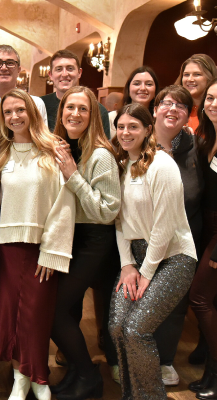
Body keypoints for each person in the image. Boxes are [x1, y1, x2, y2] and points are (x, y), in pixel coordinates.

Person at [0, 89, 76, 400]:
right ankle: (20, 378)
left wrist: (52, 251)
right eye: (8, 112)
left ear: (33, 113)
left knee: (36, 316)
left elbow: (65, 203)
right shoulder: (1, 153)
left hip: (42, 248)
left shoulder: (53, 151)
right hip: (9, 248)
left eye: (20, 110)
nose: (14, 117)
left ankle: (39, 376)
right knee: (12, 315)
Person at [109, 103, 197, 400]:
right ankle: (131, 395)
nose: (125, 132)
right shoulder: (121, 168)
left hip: (173, 257)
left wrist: (146, 272)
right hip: (137, 257)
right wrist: (126, 265)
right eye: (121, 126)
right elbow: (119, 222)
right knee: (117, 327)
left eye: (133, 126)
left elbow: (165, 226)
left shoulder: (162, 164)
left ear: (148, 129)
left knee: (136, 330)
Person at [50, 86, 121, 400]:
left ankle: (90, 376)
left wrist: (73, 175)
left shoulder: (101, 154)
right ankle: (80, 373)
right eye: (69, 108)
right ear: (61, 112)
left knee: (56, 311)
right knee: (58, 311)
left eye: (82, 109)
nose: (74, 114)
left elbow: (107, 212)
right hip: (71, 236)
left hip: (95, 239)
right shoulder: (64, 147)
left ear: (93, 116)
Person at [152, 85, 204, 386]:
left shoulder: (195, 145)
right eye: (167, 103)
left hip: (184, 238)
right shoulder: (137, 141)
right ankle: (137, 357)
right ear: (156, 108)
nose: (173, 109)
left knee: (175, 303)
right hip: (142, 239)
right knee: (141, 300)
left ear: (188, 114)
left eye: (181, 106)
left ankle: (166, 360)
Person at [189, 78, 217, 399]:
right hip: (205, 226)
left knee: (200, 298)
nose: (212, 104)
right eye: (209, 98)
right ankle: (211, 370)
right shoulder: (205, 136)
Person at [41, 49, 110, 138]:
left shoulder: (98, 109)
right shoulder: (39, 105)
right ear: (50, 75)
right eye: (59, 69)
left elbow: (103, 146)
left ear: (79, 73)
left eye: (70, 68)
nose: (65, 74)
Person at [0, 44, 48, 126]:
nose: (4, 68)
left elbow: (41, 137)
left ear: (18, 70)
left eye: (10, 63)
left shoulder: (36, 104)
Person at [108, 66, 159, 139]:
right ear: (128, 89)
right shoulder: (112, 118)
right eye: (137, 84)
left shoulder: (159, 120)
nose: (143, 88)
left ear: (155, 91)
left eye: (149, 84)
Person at [175, 54, 217, 133]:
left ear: (210, 77)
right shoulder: (173, 108)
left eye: (197, 74)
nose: (190, 79)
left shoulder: (214, 109)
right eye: (186, 75)